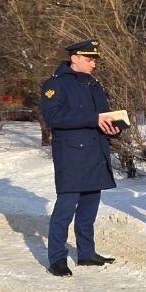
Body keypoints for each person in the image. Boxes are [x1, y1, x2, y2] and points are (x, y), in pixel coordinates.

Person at [39, 40, 120, 276]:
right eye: (89, 59)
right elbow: (54, 117)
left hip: (96, 153)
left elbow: (103, 115)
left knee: (88, 210)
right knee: (64, 211)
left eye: (94, 60)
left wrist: (114, 128)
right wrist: (93, 119)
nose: (93, 64)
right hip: (72, 156)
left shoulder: (94, 84)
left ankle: (86, 253)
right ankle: (57, 259)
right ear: (74, 58)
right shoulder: (55, 84)